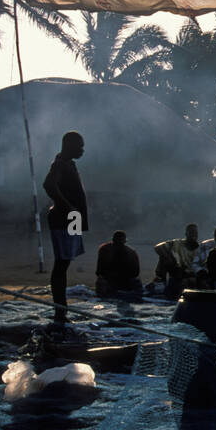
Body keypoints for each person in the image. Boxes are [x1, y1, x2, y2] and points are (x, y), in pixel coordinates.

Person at [43, 131, 88, 325]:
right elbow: (48, 185)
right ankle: (60, 309)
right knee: (61, 263)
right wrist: (67, 206)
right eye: (79, 146)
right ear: (68, 145)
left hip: (73, 218)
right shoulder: (59, 164)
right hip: (64, 218)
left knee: (69, 259)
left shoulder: (70, 164)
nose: (82, 150)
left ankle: (62, 307)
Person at [153, 223, 200, 298]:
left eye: (195, 233)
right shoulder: (177, 243)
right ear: (186, 234)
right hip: (178, 272)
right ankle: (161, 282)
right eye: (191, 232)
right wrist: (169, 258)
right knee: (164, 256)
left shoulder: (200, 249)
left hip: (192, 275)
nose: (193, 235)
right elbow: (158, 247)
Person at [95, 230, 142, 298]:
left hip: (112, 282)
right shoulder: (131, 252)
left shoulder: (104, 248)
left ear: (113, 239)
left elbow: (98, 271)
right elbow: (136, 273)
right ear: (125, 241)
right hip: (123, 283)